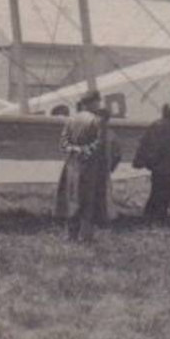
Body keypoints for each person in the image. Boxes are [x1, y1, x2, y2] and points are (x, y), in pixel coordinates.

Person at [58, 90, 105, 242]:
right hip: (89, 166)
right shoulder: (96, 120)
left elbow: (63, 143)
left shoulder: (70, 120)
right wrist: (85, 151)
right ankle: (86, 236)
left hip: (72, 165)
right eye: (98, 101)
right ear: (93, 102)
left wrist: (74, 150)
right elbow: (99, 144)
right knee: (88, 200)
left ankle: (71, 235)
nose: (99, 104)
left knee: (73, 199)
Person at [133, 103, 170, 224]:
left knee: (156, 190)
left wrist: (147, 160)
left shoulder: (155, 125)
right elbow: (165, 146)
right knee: (166, 191)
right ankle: (159, 216)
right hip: (165, 164)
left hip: (157, 164)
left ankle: (150, 214)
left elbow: (144, 141)